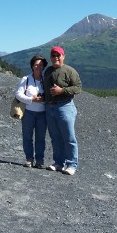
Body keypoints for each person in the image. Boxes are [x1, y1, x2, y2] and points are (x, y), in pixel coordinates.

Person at [43, 46, 82, 175]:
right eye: (53, 56)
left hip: (65, 106)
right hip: (50, 107)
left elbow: (78, 87)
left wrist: (62, 91)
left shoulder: (70, 71)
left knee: (69, 137)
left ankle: (72, 164)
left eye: (58, 55)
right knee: (55, 137)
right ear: (50, 58)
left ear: (63, 56)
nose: (56, 58)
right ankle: (58, 163)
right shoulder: (48, 71)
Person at [14, 55, 48, 168]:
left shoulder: (46, 79)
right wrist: (31, 100)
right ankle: (29, 158)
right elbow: (18, 94)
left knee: (40, 138)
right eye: (36, 64)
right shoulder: (26, 79)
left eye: (41, 65)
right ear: (32, 66)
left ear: (43, 66)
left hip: (42, 113)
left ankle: (39, 160)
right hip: (28, 112)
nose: (38, 66)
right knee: (27, 137)